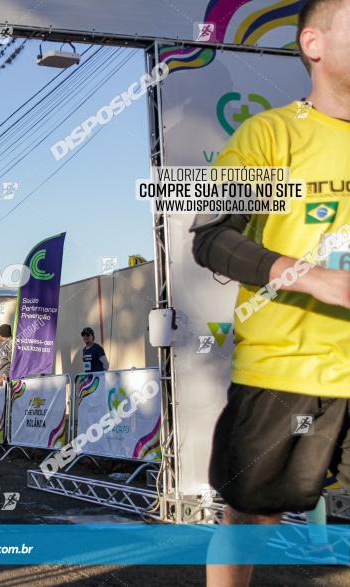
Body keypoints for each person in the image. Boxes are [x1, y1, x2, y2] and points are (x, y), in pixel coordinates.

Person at [190, 2, 350, 583]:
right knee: (251, 517)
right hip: (287, 374)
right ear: (314, 42)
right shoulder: (268, 133)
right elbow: (211, 239)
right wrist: (317, 278)